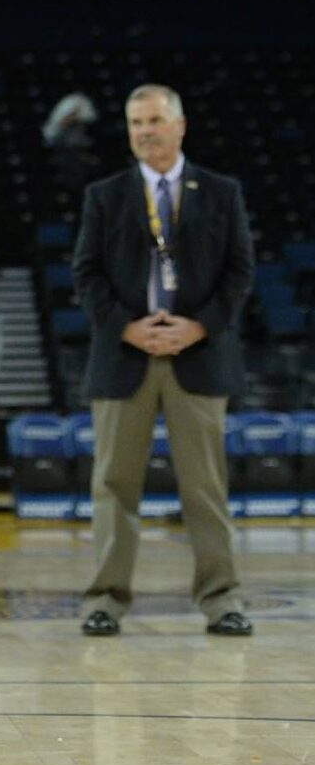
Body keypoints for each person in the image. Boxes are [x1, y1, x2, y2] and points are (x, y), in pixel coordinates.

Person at [72, 83, 255, 637]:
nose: (144, 131)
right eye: (134, 123)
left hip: (197, 356)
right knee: (114, 486)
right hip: (123, 358)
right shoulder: (105, 194)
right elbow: (86, 274)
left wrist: (197, 326)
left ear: (179, 125)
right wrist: (128, 327)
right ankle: (105, 599)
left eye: (153, 120)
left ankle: (222, 601)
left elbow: (240, 271)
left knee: (205, 487)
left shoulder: (221, 192)